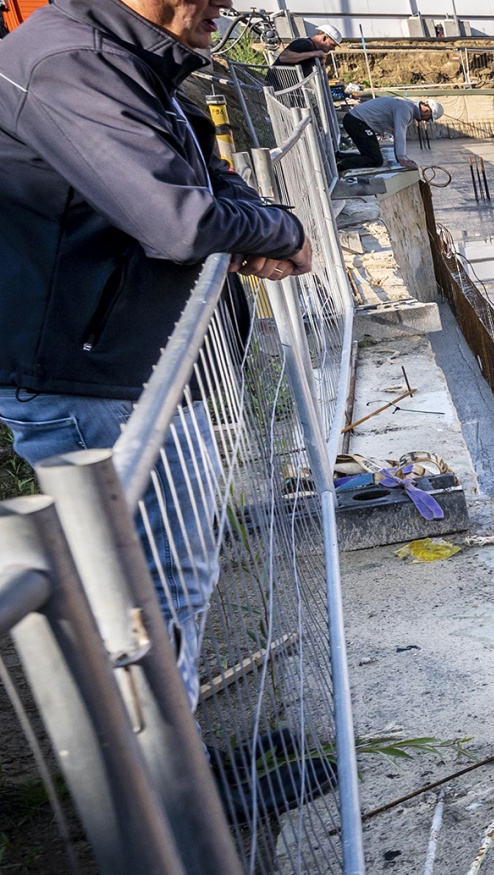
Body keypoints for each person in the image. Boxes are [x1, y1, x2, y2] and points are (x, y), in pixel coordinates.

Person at [1, 0, 313, 696]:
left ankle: (180, 764)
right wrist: (281, 236)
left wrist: (260, 226)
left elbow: (199, 171)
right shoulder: (72, 61)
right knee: (151, 589)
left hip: (122, 363)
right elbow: (177, 220)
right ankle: (170, 789)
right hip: (88, 375)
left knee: (169, 577)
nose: (224, 4)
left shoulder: (124, 58)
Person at [338, 94, 438, 171]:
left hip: (356, 120)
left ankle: (339, 157)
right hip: (357, 121)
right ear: (426, 110)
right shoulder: (406, 109)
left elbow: (395, 133)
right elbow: (400, 134)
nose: (427, 120)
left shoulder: (406, 107)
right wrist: (402, 159)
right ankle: (341, 165)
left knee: (371, 156)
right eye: (429, 118)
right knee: (375, 160)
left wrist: (402, 158)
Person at [268, 22, 336, 90]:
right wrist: (314, 54)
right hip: (277, 88)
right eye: (332, 44)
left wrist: (319, 60)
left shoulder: (312, 47)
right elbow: (284, 57)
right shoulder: (305, 44)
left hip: (286, 89)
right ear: (324, 38)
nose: (333, 48)